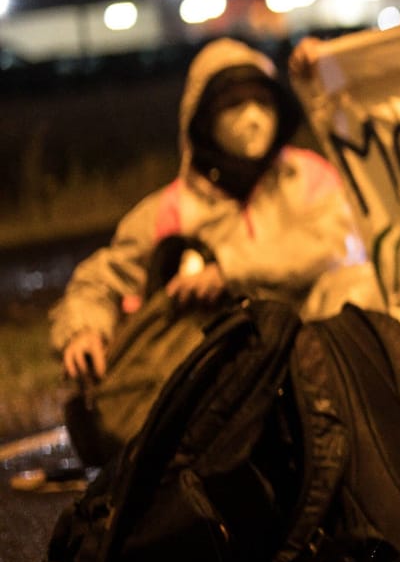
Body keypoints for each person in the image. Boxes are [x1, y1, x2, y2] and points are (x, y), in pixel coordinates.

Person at [50, 38, 362, 458]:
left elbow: (336, 244)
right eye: (232, 104)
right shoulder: (169, 211)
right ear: (202, 117)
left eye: (260, 100)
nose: (251, 116)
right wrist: (84, 329)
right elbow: (100, 278)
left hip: (316, 382)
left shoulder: (308, 177)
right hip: (223, 406)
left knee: (356, 288)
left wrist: (229, 270)